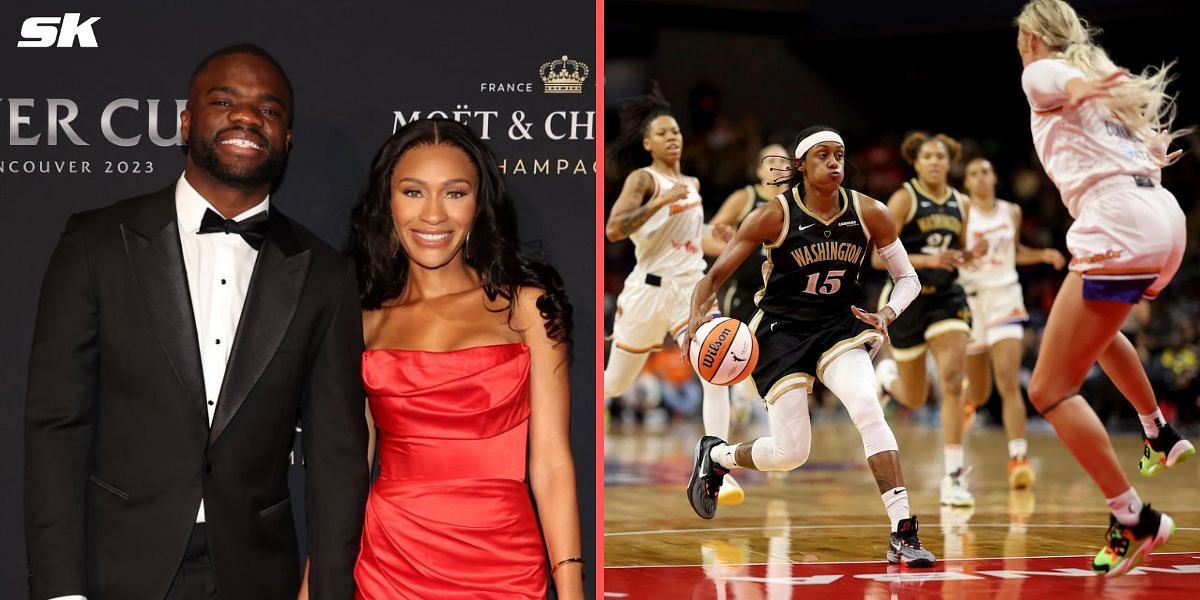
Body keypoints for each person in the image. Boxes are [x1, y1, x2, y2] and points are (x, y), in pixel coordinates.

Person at [24, 44, 368, 600]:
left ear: (287, 141)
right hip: (114, 566)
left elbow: (336, 456)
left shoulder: (326, 276)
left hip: (255, 574)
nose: (247, 117)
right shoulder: (96, 244)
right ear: (186, 123)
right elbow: (55, 428)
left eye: (270, 110)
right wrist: (61, 590)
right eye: (224, 100)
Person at [346, 118, 584, 598]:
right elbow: (351, 470)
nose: (433, 215)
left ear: (479, 206)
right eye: (413, 192)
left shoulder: (528, 311)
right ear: (387, 202)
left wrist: (573, 588)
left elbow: (552, 464)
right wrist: (316, 580)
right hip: (389, 563)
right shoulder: (362, 322)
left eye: (454, 193)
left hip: (504, 563)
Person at [685, 126, 936, 567]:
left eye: (839, 154)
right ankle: (719, 455)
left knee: (867, 406)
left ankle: (903, 530)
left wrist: (888, 314)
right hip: (780, 332)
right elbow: (712, 278)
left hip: (838, 326)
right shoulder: (772, 216)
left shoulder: (870, 212)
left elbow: (908, 279)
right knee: (791, 453)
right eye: (823, 155)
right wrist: (694, 318)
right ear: (801, 165)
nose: (835, 161)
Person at [1016, 0, 1195, 576]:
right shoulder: (1096, 90)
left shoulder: (1043, 71)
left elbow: (1057, 77)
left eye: (1022, 34)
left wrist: (1091, 83)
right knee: (1097, 331)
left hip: (1117, 217)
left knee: (1048, 391)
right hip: (1164, 217)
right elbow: (1147, 150)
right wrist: (1102, 88)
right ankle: (1158, 431)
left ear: (1031, 37)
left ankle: (1132, 515)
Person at [603, 82, 741, 504]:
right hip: (647, 291)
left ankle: (718, 465)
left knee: (717, 372)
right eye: (663, 132)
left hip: (689, 291)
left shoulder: (694, 183)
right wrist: (661, 203)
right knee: (614, 384)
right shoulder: (643, 179)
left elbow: (687, 239)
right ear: (647, 142)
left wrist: (716, 235)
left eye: (677, 131)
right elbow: (614, 229)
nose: (673, 137)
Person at [873, 131, 983, 508]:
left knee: (954, 381)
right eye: (928, 157)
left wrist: (970, 255)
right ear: (915, 163)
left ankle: (953, 477)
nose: (935, 162)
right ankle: (887, 381)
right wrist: (927, 261)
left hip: (947, 300)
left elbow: (958, 253)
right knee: (915, 397)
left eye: (941, 156)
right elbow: (876, 258)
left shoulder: (961, 203)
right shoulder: (904, 198)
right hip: (909, 300)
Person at [958, 156, 1066, 489]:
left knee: (1008, 382)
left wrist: (1043, 254)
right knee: (980, 390)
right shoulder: (962, 211)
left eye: (985, 171)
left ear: (994, 178)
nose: (980, 177)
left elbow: (1015, 250)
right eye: (974, 173)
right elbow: (953, 254)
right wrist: (968, 254)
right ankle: (968, 401)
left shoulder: (1011, 211)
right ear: (967, 182)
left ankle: (1018, 458)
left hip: (1005, 297)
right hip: (973, 300)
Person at [708, 143, 792, 406]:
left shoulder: (797, 204)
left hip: (782, 293)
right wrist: (737, 246)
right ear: (758, 170)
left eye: (785, 162)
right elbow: (705, 239)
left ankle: (774, 412)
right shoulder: (745, 198)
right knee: (744, 357)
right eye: (772, 162)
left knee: (782, 357)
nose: (779, 166)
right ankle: (744, 400)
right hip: (745, 291)